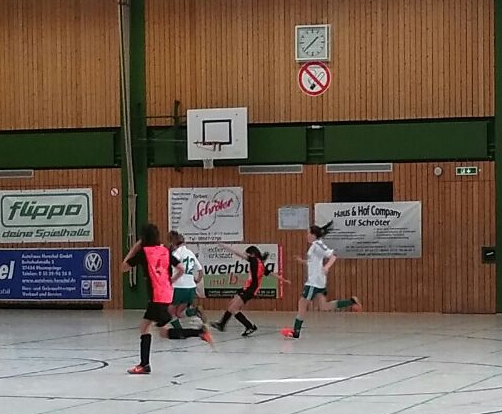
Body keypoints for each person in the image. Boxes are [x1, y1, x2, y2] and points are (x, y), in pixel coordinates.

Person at [122, 223, 212, 375]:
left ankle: (145, 365)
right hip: (167, 294)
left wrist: (133, 249)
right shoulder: (164, 250)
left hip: (156, 296)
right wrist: (171, 280)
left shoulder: (144, 252)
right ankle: (199, 333)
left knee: (146, 328)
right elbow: (181, 269)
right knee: (162, 331)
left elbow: (124, 267)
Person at [281, 221, 362, 339]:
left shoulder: (318, 245)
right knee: (324, 306)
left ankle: (296, 332)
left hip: (313, 283)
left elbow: (333, 256)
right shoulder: (314, 246)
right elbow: (313, 262)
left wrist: (327, 267)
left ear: (313, 235)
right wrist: (302, 261)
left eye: (308, 233)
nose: (306, 236)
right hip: (318, 282)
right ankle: (350, 302)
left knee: (302, 304)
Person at [211, 244, 290, 337]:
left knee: (233, 308)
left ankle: (249, 326)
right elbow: (272, 273)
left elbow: (237, 253)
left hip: (249, 290)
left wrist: (224, 247)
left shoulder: (254, 260)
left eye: (247, 254)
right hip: (248, 289)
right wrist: (284, 280)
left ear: (251, 254)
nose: (246, 255)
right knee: (232, 304)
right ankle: (222, 324)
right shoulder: (261, 264)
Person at [167, 230, 207, 329]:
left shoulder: (176, 254)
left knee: (169, 311)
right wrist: (197, 280)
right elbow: (200, 270)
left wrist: (171, 280)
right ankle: (195, 311)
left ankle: (179, 331)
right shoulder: (190, 253)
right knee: (179, 312)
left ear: (173, 242)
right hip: (191, 287)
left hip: (179, 286)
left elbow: (175, 267)